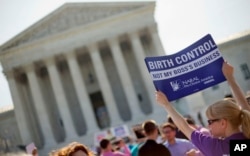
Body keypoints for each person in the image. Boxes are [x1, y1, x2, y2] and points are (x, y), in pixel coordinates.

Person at [155, 61, 250, 156]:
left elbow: (184, 127)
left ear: (223, 123)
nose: (208, 126)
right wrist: (230, 78)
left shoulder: (215, 147)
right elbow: (244, 108)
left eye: (210, 122)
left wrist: (166, 105)